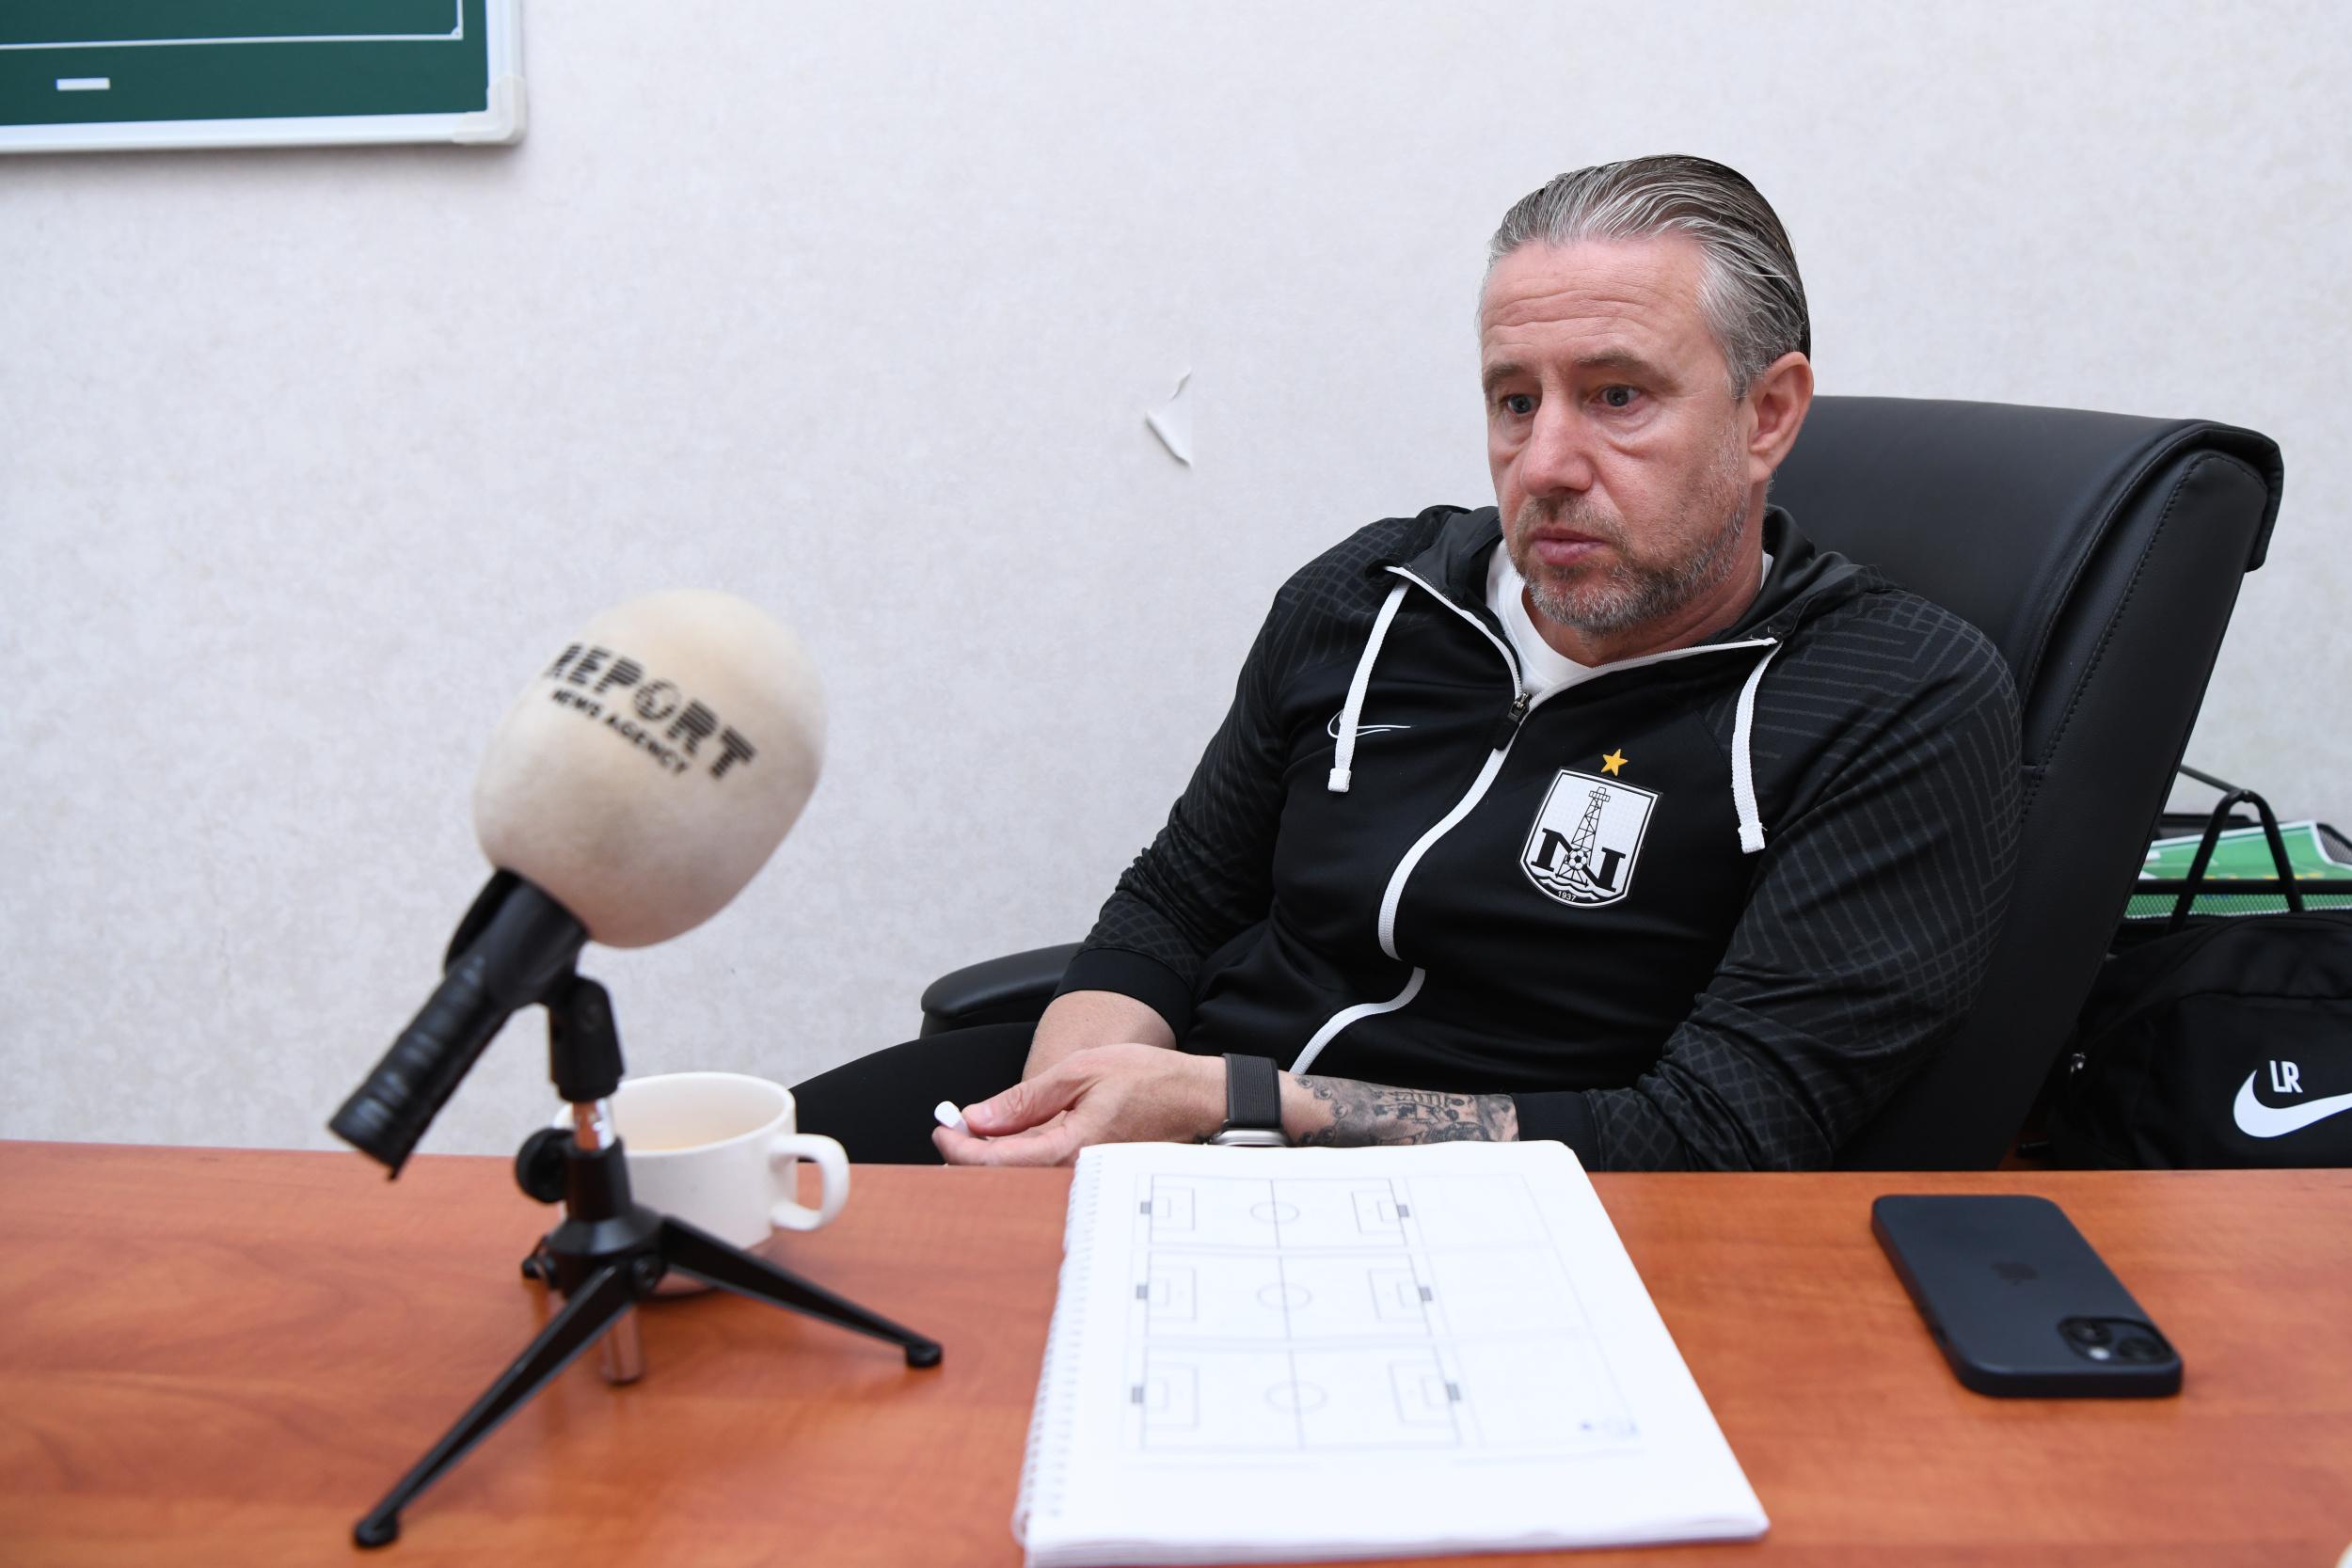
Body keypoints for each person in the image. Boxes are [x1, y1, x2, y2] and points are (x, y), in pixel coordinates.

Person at [793, 153, 2021, 1169]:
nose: (1546, 463)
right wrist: (1064, 1122)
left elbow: (1715, 1136)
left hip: (1510, 1210)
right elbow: (1175, 905)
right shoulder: (1372, 595)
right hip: (1179, 1127)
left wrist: (1245, 1105)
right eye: (1514, 401)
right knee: (734, 1196)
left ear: (1768, 414)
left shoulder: (1891, 696)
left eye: (1617, 396)